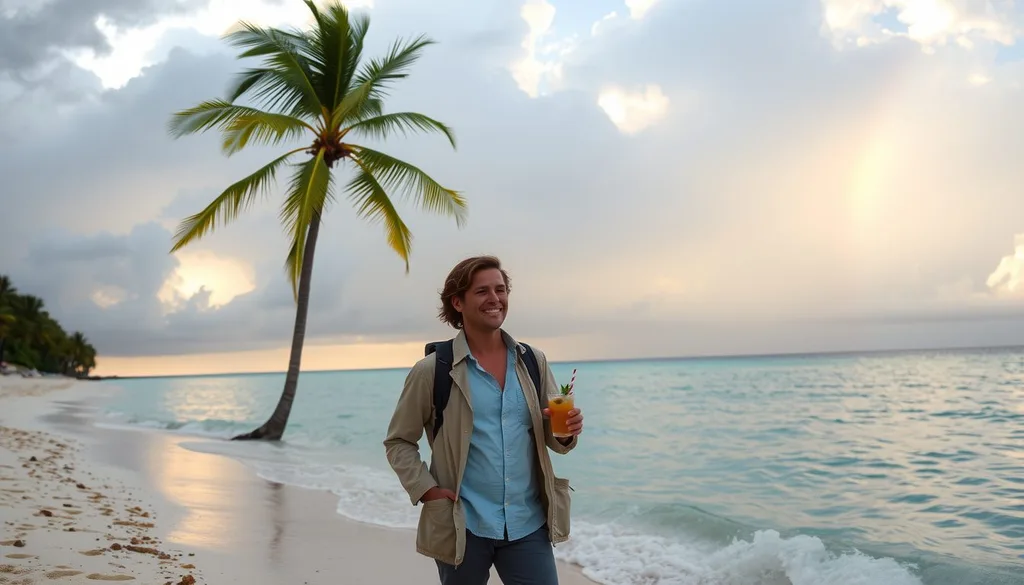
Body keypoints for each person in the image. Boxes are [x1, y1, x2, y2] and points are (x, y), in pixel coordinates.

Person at [384, 255, 584, 585]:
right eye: (482, 292)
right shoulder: (432, 370)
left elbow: (555, 439)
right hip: (463, 524)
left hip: (527, 521)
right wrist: (427, 489)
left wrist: (566, 433)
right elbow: (398, 441)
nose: (495, 299)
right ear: (458, 302)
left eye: (500, 289)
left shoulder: (533, 361)